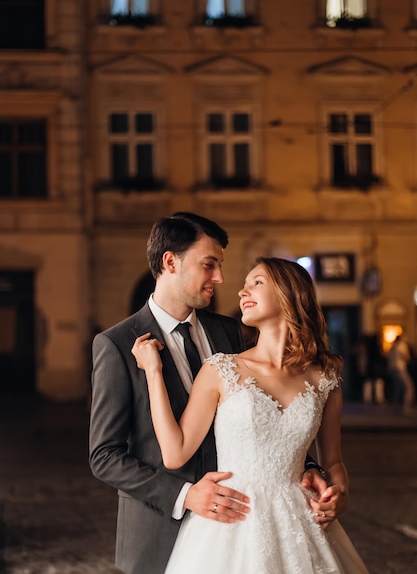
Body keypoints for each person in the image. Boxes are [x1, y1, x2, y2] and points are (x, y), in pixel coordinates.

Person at [89, 213, 342, 574]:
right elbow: (104, 456)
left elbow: (272, 411)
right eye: (210, 265)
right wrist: (185, 495)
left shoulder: (231, 332)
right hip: (157, 530)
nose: (220, 279)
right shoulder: (116, 344)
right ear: (170, 262)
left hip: (249, 527)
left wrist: (307, 466)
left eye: (221, 266)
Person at [132, 256, 368, 574]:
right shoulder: (221, 369)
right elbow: (175, 454)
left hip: (301, 524)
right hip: (231, 522)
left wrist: (340, 493)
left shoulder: (324, 376)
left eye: (257, 282)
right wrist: (153, 371)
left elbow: (333, 461)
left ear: (290, 294)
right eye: (244, 286)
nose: (242, 292)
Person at [387, 334, 415, 414]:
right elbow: (407, 357)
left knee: (397, 387)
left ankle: (395, 405)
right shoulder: (402, 345)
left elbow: (387, 357)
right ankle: (407, 406)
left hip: (391, 368)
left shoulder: (392, 347)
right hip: (400, 368)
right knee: (409, 386)